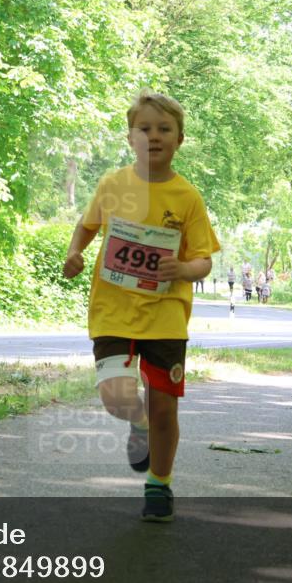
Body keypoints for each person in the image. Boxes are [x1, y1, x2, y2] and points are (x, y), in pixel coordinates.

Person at [62, 88, 219, 523]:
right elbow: (87, 226)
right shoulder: (113, 184)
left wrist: (184, 270)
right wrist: (74, 254)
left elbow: (204, 258)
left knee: (165, 404)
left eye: (164, 129)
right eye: (144, 129)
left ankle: (159, 485)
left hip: (166, 314)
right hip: (113, 307)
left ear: (179, 139)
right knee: (116, 397)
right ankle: (137, 422)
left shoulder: (188, 198)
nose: (154, 136)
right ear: (130, 136)